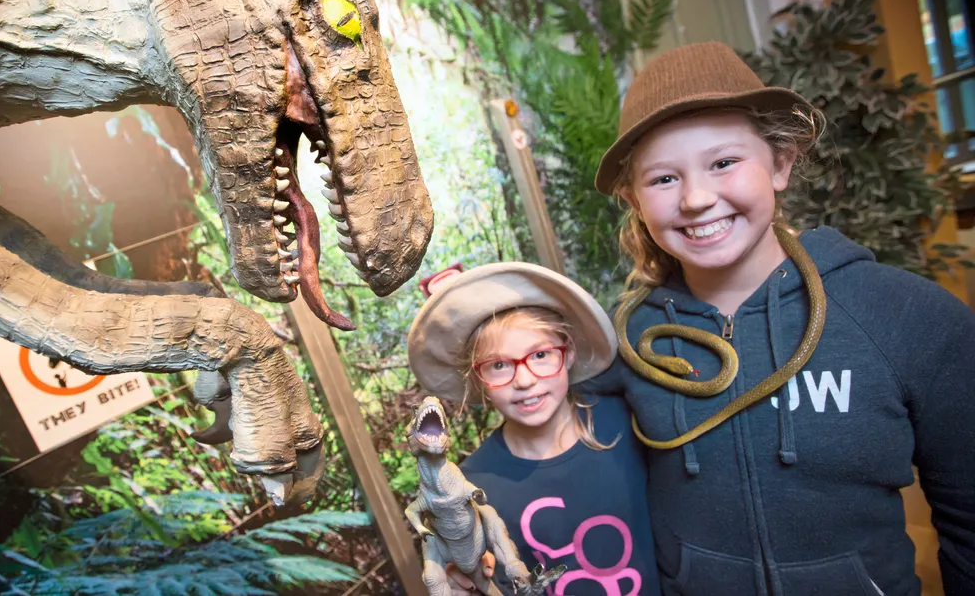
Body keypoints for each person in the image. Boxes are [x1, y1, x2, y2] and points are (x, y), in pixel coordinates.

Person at [579, 40, 975, 595]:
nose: (695, 198)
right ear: (634, 200)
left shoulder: (908, 317)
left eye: (723, 162)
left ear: (781, 163)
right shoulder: (625, 340)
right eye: (663, 179)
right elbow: (539, 409)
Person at [407, 262, 662, 596]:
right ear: (478, 378)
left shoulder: (627, 421)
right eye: (499, 365)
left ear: (568, 353)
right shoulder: (475, 483)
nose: (525, 380)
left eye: (540, 354)